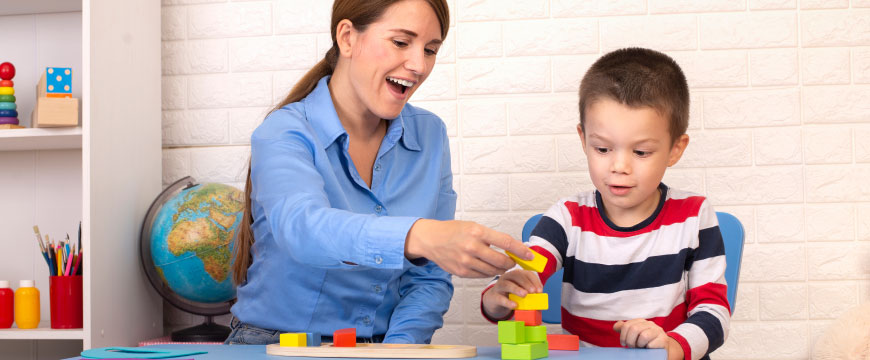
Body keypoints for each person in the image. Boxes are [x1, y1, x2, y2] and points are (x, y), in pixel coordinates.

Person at [226, 0, 534, 346]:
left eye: (431, 50)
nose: (418, 65)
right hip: (272, 345)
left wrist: (397, 349)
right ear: (347, 38)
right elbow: (303, 229)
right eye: (401, 42)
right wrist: (418, 236)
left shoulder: (430, 135)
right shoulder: (284, 131)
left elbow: (429, 279)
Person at [480, 48, 731, 360]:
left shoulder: (693, 216)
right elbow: (523, 273)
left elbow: (715, 313)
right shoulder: (568, 217)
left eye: (641, 152)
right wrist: (498, 297)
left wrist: (673, 345)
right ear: (584, 139)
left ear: (675, 149)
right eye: (602, 148)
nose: (619, 166)